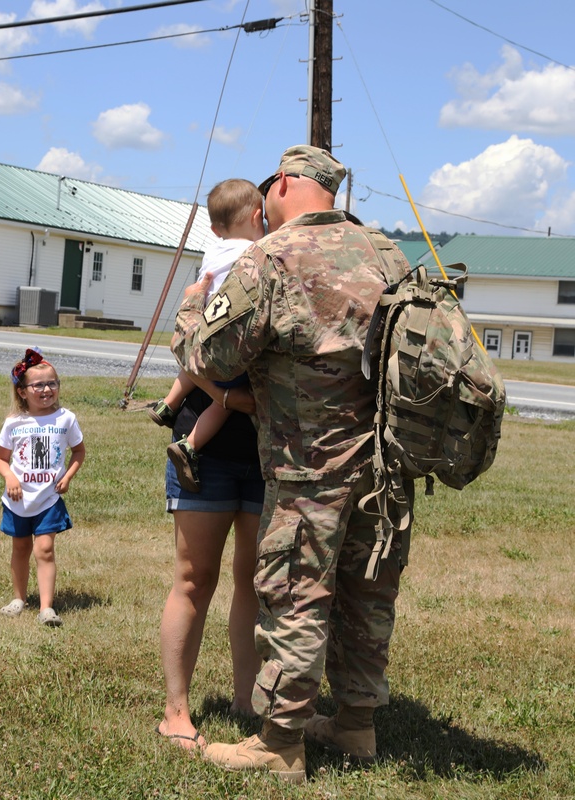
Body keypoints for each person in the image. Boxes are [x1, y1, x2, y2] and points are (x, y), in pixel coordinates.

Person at [171, 145, 413, 784]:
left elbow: (211, 355)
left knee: (295, 595)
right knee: (366, 593)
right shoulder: (387, 254)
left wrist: (192, 307)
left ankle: (281, 743)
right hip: (384, 468)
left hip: (308, 469)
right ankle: (356, 725)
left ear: (281, 184)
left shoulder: (272, 257)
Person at [157, 377, 265, 751]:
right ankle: (175, 714)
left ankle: (247, 701)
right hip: (204, 458)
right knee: (194, 579)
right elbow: (188, 349)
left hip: (272, 452)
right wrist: (227, 397)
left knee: (256, 580)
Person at [148, 178, 265, 492]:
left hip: (204, 326)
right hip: (231, 337)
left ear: (215, 229)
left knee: (193, 362)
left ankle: (168, 403)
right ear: (257, 217)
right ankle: (191, 445)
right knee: (224, 402)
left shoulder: (213, 251)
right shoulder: (258, 252)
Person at [0, 348, 85, 628]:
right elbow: (0, 460)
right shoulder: (14, 423)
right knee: (21, 547)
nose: (46, 389)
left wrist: (68, 477)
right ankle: (19, 598)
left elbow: (79, 452)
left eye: (52, 383)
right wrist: (10, 479)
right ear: (23, 392)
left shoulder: (65, 419)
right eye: (39, 385)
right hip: (17, 501)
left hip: (49, 499)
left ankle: (46, 608)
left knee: (44, 549)